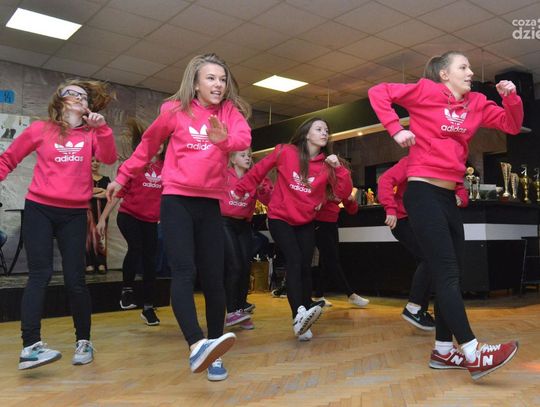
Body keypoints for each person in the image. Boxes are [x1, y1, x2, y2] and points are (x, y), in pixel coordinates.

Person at [368, 51, 523, 380]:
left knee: (451, 275)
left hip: (447, 196)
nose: (470, 72)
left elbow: (511, 124)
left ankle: (442, 350)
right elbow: (378, 92)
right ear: (444, 74)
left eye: (470, 67)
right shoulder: (425, 91)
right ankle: (472, 351)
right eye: (463, 67)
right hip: (422, 192)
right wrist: (395, 130)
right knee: (447, 273)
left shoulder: (476, 103)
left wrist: (511, 98)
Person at [106, 53, 251, 381]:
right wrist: (123, 177)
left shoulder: (229, 111)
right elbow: (147, 147)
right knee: (184, 272)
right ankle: (196, 344)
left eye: (222, 79)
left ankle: (214, 352)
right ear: (196, 83)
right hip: (176, 201)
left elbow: (243, 138)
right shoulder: (174, 111)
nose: (218, 84)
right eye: (211, 78)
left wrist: (224, 140)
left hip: (210, 204)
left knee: (213, 277)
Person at [0, 79, 117, 369]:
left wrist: (103, 128)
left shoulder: (92, 133)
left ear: (87, 106)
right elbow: (8, 159)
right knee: (39, 275)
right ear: (59, 100)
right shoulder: (40, 129)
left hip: (74, 214)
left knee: (76, 280)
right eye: (71, 93)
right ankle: (30, 346)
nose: (77, 97)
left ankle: (83, 341)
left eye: (83, 96)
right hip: (39, 209)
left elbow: (109, 157)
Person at [233, 117, 353, 341]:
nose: (324, 133)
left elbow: (344, 192)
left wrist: (339, 169)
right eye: (319, 129)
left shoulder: (327, 165)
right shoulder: (285, 152)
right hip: (280, 217)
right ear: (306, 133)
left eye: (326, 130)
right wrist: (241, 188)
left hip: (305, 220)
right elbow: (258, 171)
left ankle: (305, 313)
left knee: (305, 265)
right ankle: (298, 315)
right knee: (295, 260)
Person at [378, 156, 469, 331]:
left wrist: (459, 198)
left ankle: (420, 308)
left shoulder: (446, 163)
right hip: (404, 219)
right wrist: (390, 208)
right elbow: (385, 180)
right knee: (430, 258)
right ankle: (414, 307)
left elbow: (460, 189)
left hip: (425, 219)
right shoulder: (412, 160)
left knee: (433, 261)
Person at [97, 118, 164, 326]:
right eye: (155, 141)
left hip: (150, 220)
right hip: (129, 216)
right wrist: (102, 218)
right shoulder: (133, 166)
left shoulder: (167, 167)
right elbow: (116, 194)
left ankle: (148, 308)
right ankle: (126, 290)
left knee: (150, 261)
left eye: (161, 142)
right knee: (136, 248)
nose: (158, 145)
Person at [220, 148, 272, 330]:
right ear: (233, 159)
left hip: (243, 225)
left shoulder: (255, 177)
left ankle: (240, 310)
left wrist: (263, 188)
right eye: (243, 155)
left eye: (249, 156)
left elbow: (268, 200)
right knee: (234, 265)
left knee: (244, 266)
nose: (248, 158)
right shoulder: (224, 174)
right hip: (224, 222)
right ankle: (231, 312)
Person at [313, 192, 370, 308]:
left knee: (327, 260)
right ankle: (350, 294)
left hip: (332, 222)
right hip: (318, 221)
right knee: (332, 259)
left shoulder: (343, 182)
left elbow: (352, 210)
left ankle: (319, 295)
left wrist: (350, 200)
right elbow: (314, 199)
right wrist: (329, 198)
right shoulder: (323, 181)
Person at [85, 157, 110, 274]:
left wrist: (92, 192)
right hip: (88, 211)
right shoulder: (83, 178)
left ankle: (101, 263)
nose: (95, 163)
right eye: (92, 161)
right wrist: (100, 190)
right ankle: (89, 263)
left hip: (102, 213)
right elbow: (82, 192)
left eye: (97, 161)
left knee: (101, 235)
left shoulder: (106, 179)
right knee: (88, 236)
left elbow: (109, 195)